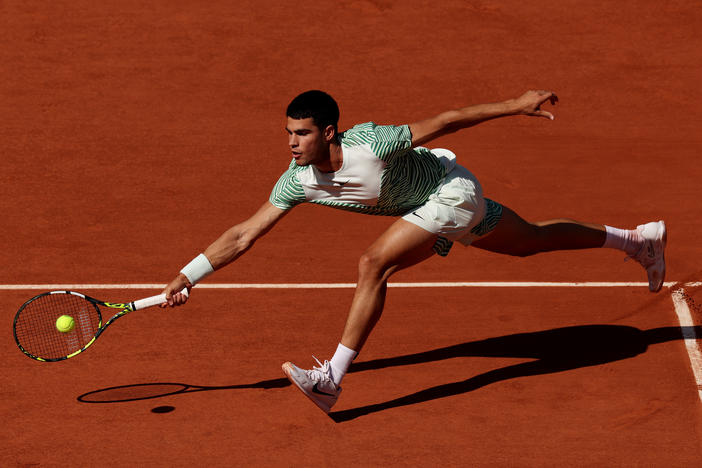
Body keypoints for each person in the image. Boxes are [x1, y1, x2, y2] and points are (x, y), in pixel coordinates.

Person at [161, 89, 666, 414]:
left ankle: (330, 380)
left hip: (450, 191)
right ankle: (638, 239)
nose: (292, 143)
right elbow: (244, 234)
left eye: (302, 133)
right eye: (288, 133)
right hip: (435, 210)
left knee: (372, 263)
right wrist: (190, 274)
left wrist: (514, 105)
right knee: (530, 241)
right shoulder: (297, 181)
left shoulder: (372, 144)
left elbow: (445, 121)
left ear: (329, 132)